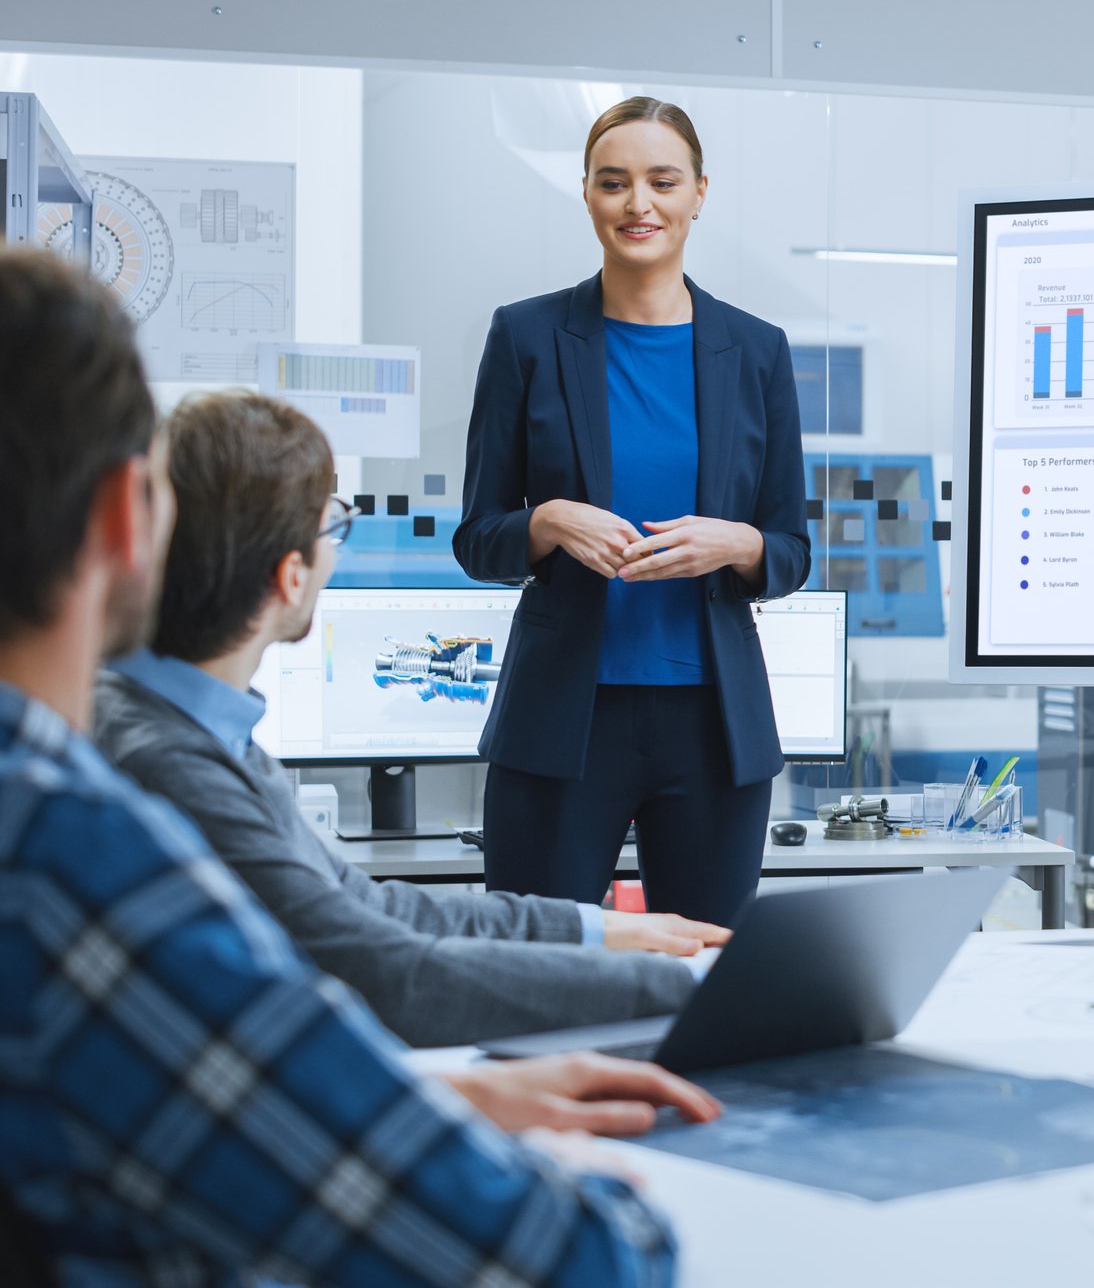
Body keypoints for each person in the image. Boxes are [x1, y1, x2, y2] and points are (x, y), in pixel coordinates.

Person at [0, 249, 716, 1281]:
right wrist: (686, 1020)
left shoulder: (128, 781)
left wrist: (604, 951)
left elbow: (361, 931)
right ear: (128, 521)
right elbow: (567, 1259)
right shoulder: (79, 852)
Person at [93, 390, 733, 1048]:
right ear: (290, 577)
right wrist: (702, 992)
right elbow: (386, 975)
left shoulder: (202, 734)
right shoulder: (166, 763)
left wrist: (601, 930)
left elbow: (369, 908)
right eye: (333, 526)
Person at [455, 95, 810, 926]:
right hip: (561, 723)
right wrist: (546, 522)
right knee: (531, 970)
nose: (638, 204)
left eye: (661, 181)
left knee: (707, 975)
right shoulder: (528, 337)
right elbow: (479, 537)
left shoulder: (755, 350)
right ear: (586, 194)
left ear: (698, 193)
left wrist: (739, 542)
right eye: (614, 183)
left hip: (712, 729)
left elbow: (791, 551)